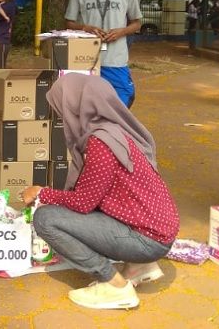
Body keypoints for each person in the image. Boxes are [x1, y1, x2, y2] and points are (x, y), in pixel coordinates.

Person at [20, 74, 179, 310]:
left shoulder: (101, 143)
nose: (62, 117)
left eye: (63, 109)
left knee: (47, 219)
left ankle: (113, 285)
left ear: (77, 107)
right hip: (155, 228)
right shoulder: (117, 131)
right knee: (77, 209)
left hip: (148, 238)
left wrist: (42, 193)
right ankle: (139, 266)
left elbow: (83, 202)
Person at [65, 0, 142, 108]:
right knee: (88, 105)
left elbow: (137, 23)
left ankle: (112, 132)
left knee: (122, 101)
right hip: (86, 61)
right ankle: (94, 133)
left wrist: (122, 31)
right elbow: (69, 23)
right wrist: (86, 28)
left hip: (115, 60)